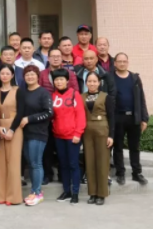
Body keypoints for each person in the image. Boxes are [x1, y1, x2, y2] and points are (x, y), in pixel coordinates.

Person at [37, 48, 78, 184]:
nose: (55, 58)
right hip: (47, 116)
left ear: (62, 58)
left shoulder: (70, 74)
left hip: (65, 117)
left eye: (58, 56)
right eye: (53, 56)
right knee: (47, 148)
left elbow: (75, 92)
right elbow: (39, 91)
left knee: (63, 148)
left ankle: (63, 174)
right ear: (48, 58)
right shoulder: (42, 74)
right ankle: (47, 174)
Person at [113, 53, 149, 186]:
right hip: (118, 117)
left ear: (128, 62)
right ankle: (120, 173)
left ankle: (136, 173)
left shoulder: (135, 78)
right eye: (119, 61)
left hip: (134, 117)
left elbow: (141, 98)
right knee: (118, 147)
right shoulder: (110, 78)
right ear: (115, 63)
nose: (122, 63)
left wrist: (144, 118)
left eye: (124, 61)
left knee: (135, 147)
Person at [19, 65, 53, 206]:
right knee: (31, 163)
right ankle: (34, 191)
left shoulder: (43, 93)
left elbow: (49, 112)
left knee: (36, 163)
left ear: (38, 76)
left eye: (32, 74)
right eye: (27, 74)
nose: (30, 77)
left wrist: (29, 119)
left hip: (38, 133)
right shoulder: (22, 92)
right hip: (24, 133)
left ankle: (37, 192)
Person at [51, 68, 86, 205]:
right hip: (58, 136)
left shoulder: (74, 94)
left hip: (72, 136)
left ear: (67, 80)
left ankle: (75, 192)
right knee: (63, 165)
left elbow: (80, 115)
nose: (59, 82)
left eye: (61, 79)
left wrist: (78, 133)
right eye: (56, 79)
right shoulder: (53, 96)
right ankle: (67, 191)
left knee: (73, 164)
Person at [81, 72, 115, 205]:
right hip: (87, 132)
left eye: (94, 81)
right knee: (89, 162)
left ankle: (101, 194)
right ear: (86, 83)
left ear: (99, 83)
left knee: (102, 163)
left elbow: (112, 117)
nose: (92, 84)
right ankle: (93, 193)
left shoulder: (106, 97)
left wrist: (111, 135)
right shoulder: (81, 97)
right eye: (89, 81)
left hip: (102, 131)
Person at [0, 65, 24, 206]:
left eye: (7, 73)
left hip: (15, 127)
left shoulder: (18, 91)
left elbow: (21, 112)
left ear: (12, 75)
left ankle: (13, 197)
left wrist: (12, 129)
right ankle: (0, 195)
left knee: (13, 162)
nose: (4, 76)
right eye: (2, 73)